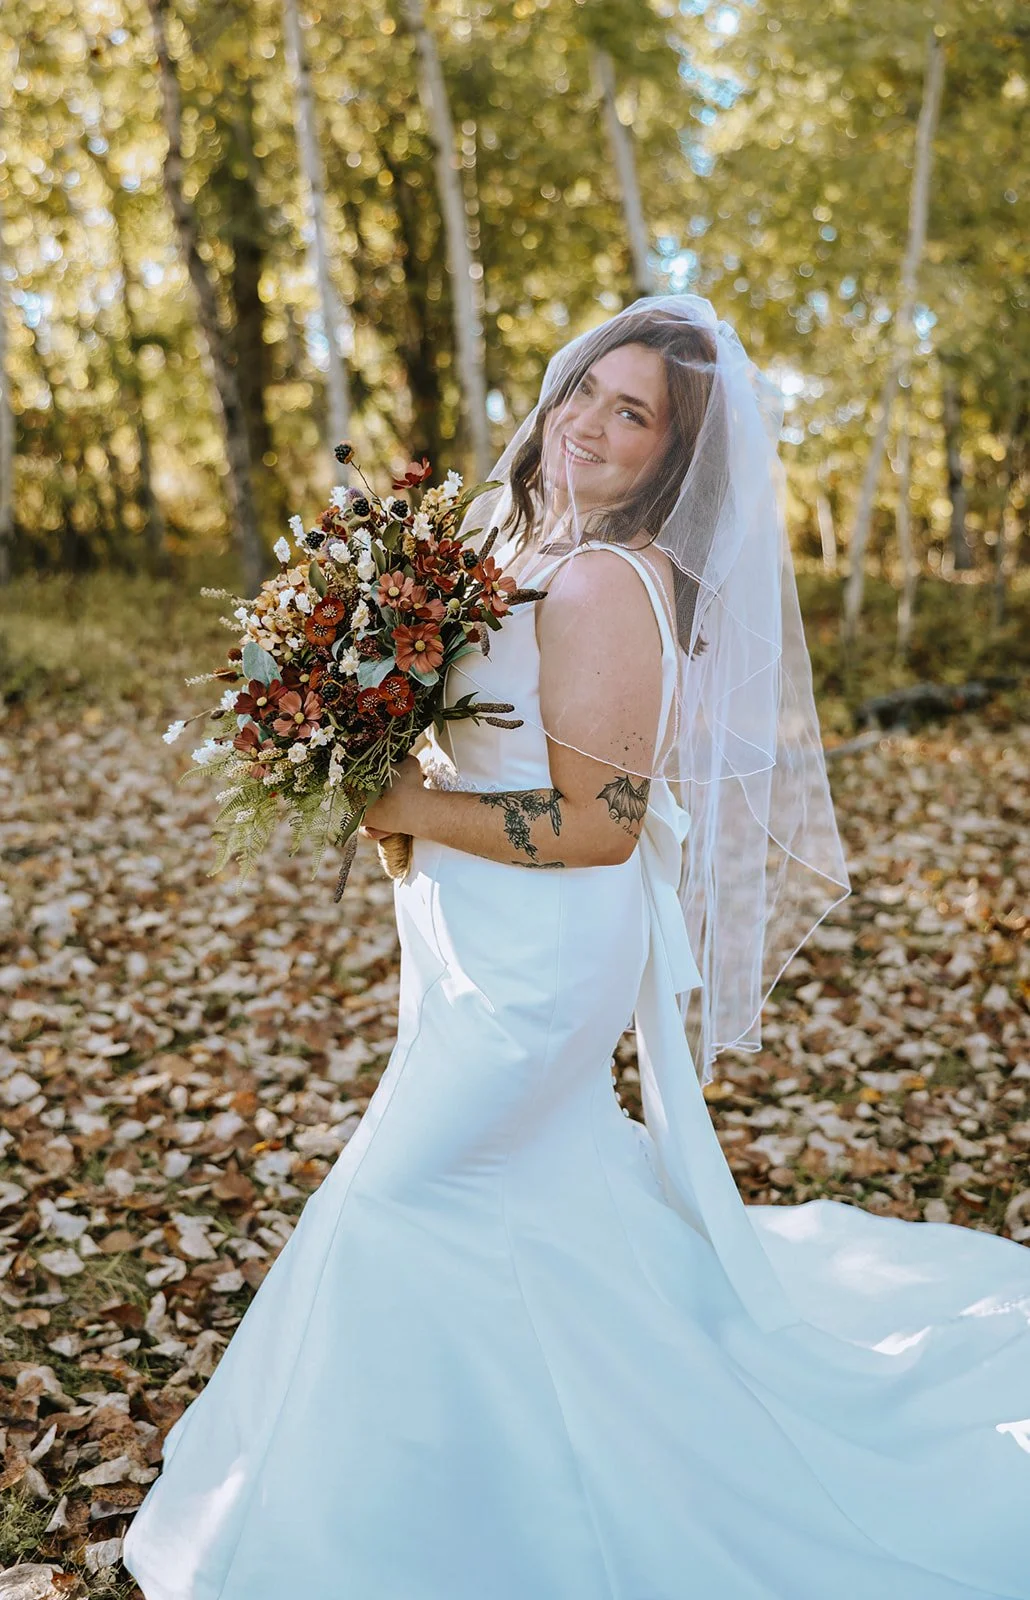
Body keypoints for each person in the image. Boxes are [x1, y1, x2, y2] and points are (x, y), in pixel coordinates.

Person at [123, 296, 1030, 1600]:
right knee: (538, 1202)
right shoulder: (518, 550)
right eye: (583, 394)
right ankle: (520, 1495)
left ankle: (344, 1544)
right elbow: (490, 730)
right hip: (474, 927)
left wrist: (404, 805)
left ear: (669, 458)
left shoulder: (606, 580)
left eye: (631, 414)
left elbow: (599, 823)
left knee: (397, 1197)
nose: (589, 427)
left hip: (541, 958)